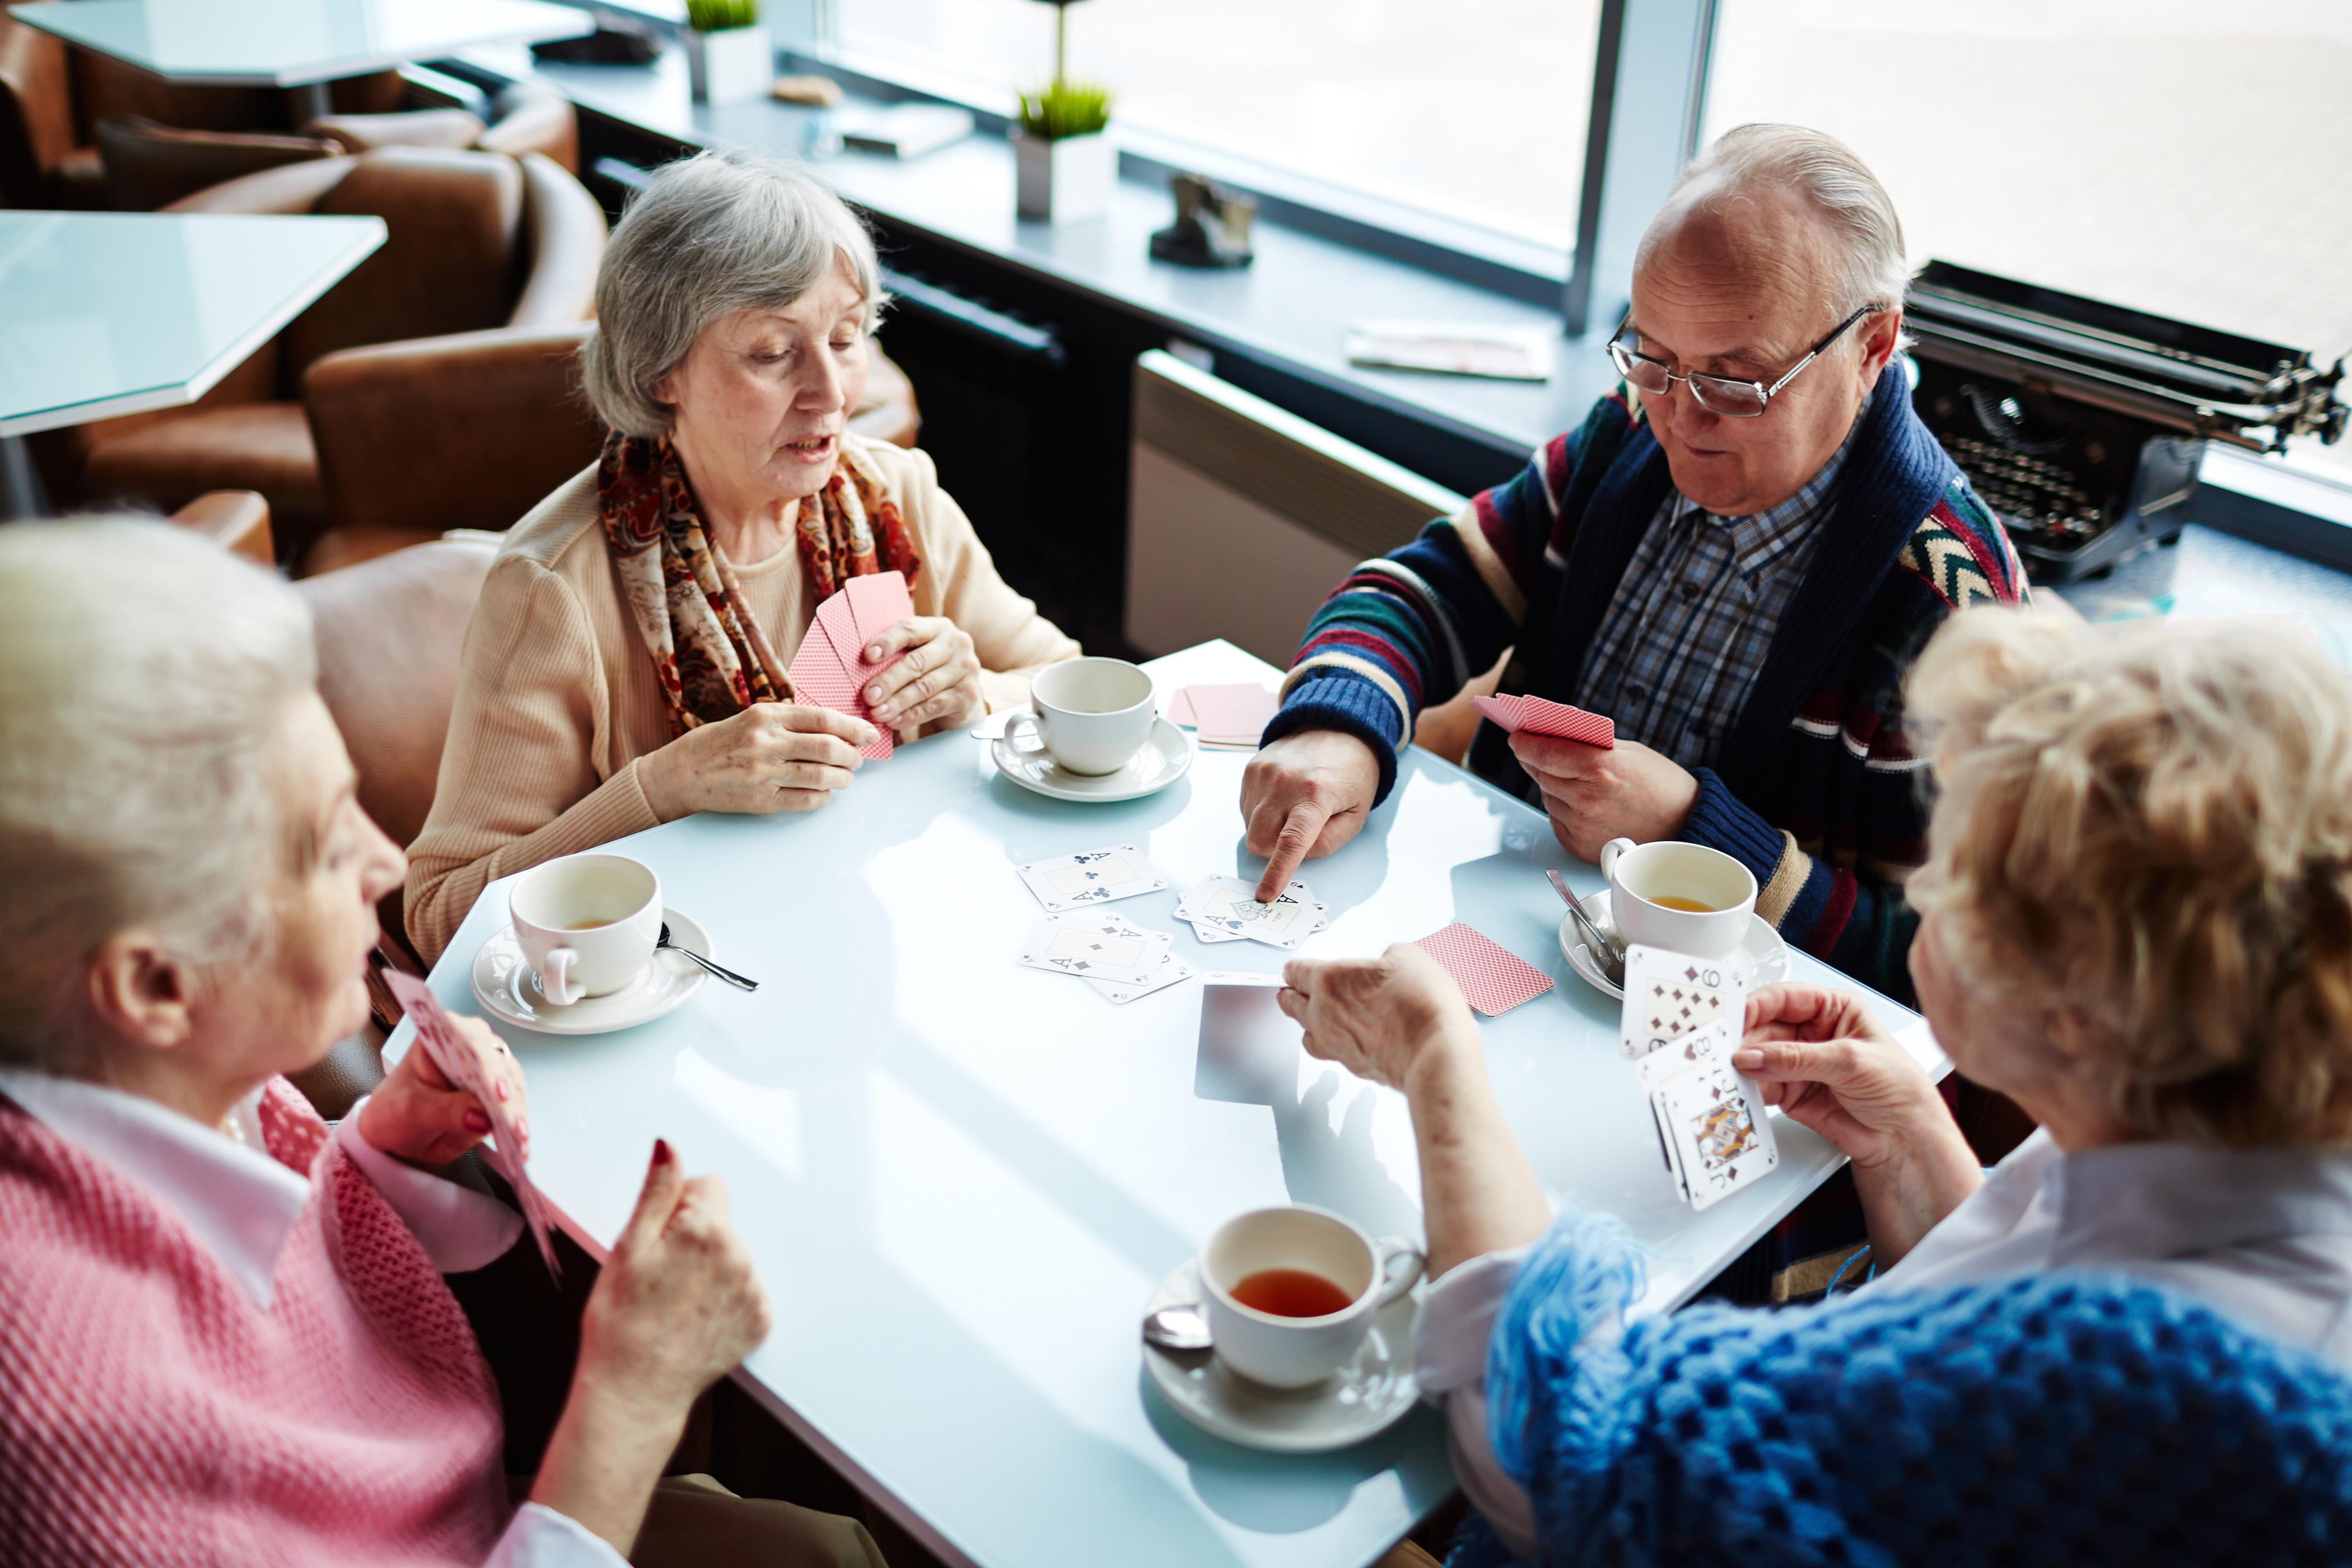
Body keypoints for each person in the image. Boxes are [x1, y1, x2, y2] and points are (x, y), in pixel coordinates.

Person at [1276, 606, 2352, 1564]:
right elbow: (2011, 1333)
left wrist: (1434, 1056)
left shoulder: (2159, 1382)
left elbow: (1562, 1458)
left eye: (1956, 871)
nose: (1923, 887)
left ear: (2079, 1009)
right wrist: (1915, 1153)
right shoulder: (2204, 1140)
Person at [0, 520, 881, 1566]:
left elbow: (246, 1261)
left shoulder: (162, 1076)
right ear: (152, 982)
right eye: (329, 845)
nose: (385, 865)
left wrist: (378, 1151)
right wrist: (633, 1395)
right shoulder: (75, 1413)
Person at [1243, 124, 2029, 1004]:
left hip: (1742, 1061)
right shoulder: (1628, 428)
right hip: (1500, 944)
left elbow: (1964, 973)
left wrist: (1700, 836)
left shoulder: (1955, 607)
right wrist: (1337, 725)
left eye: (1737, 383)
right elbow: (1429, 589)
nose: (1681, 421)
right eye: (1653, 356)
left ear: (1873, 346)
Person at [405, 148, 1080, 963]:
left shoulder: (895, 493)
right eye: (772, 353)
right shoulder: (553, 589)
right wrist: (661, 790)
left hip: (888, 923)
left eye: (846, 336)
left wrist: (977, 698)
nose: (835, 393)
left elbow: (1067, 685)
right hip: (686, 990)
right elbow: (443, 914)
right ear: (663, 371)